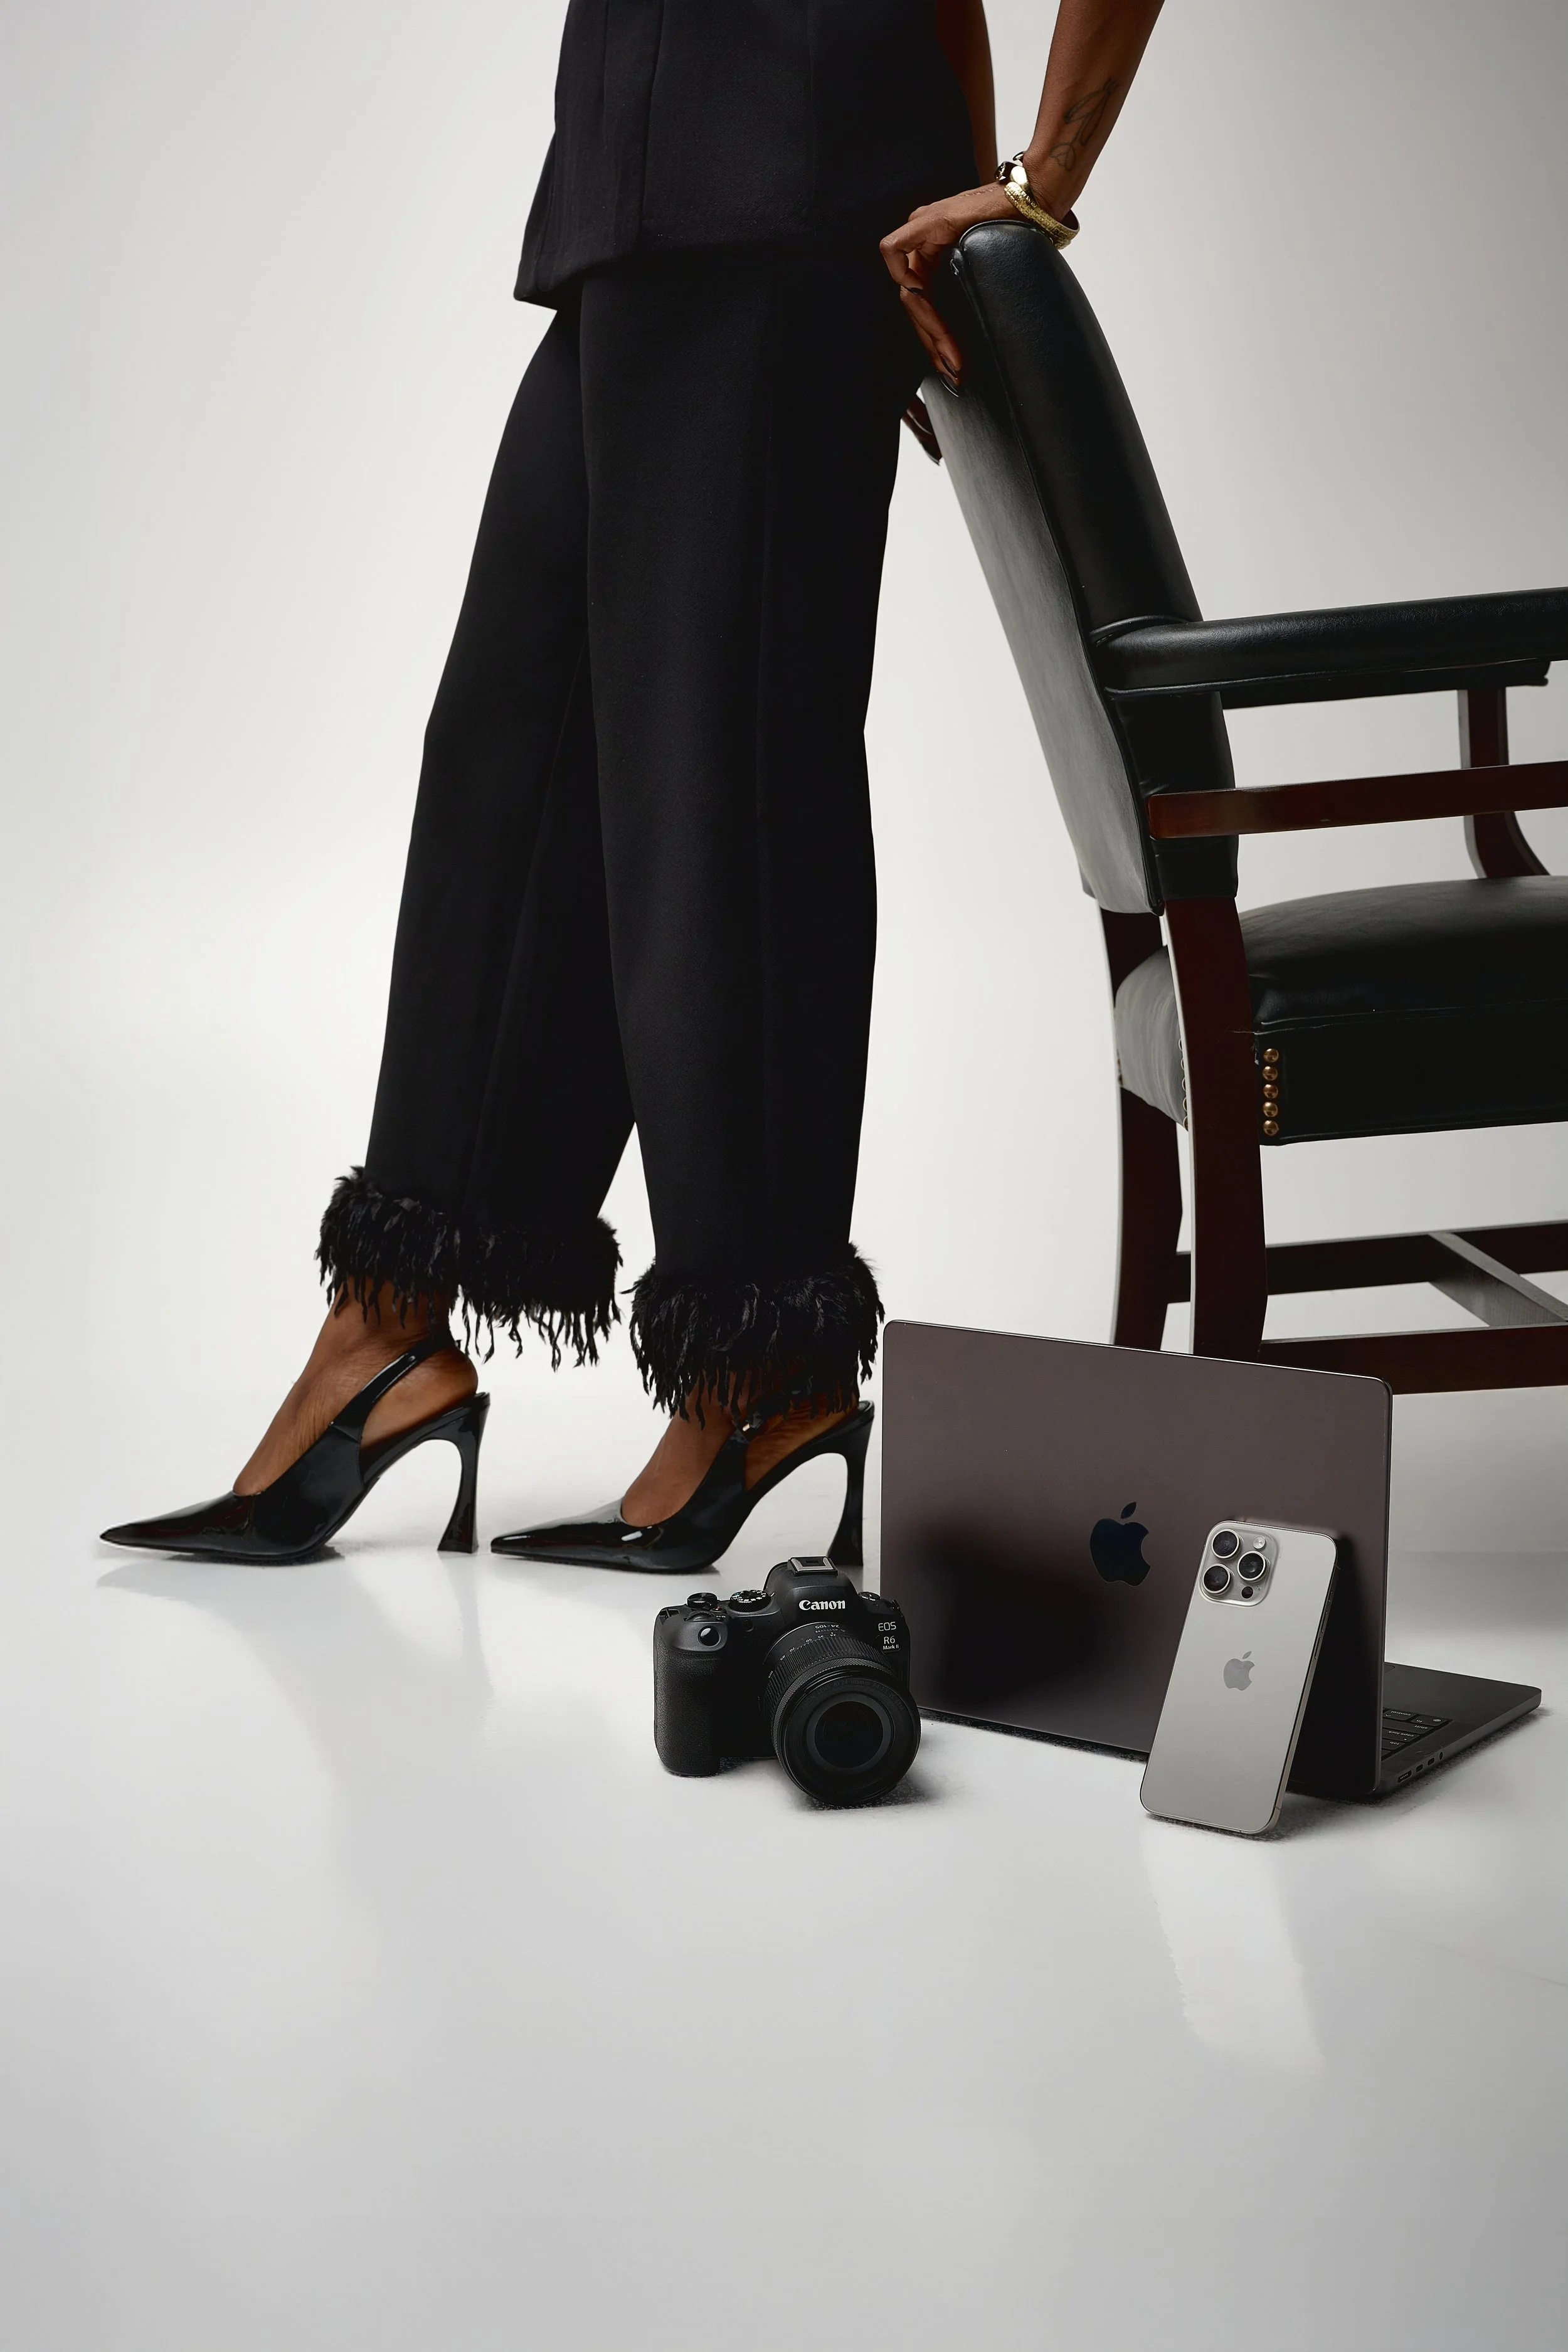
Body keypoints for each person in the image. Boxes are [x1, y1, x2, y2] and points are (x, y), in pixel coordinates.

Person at [103, 0, 1166, 1572]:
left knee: (718, 788)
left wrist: (1025, 184)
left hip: (791, 197)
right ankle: (389, 1326)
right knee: (507, 771)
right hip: (630, 199)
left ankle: (764, 1376)